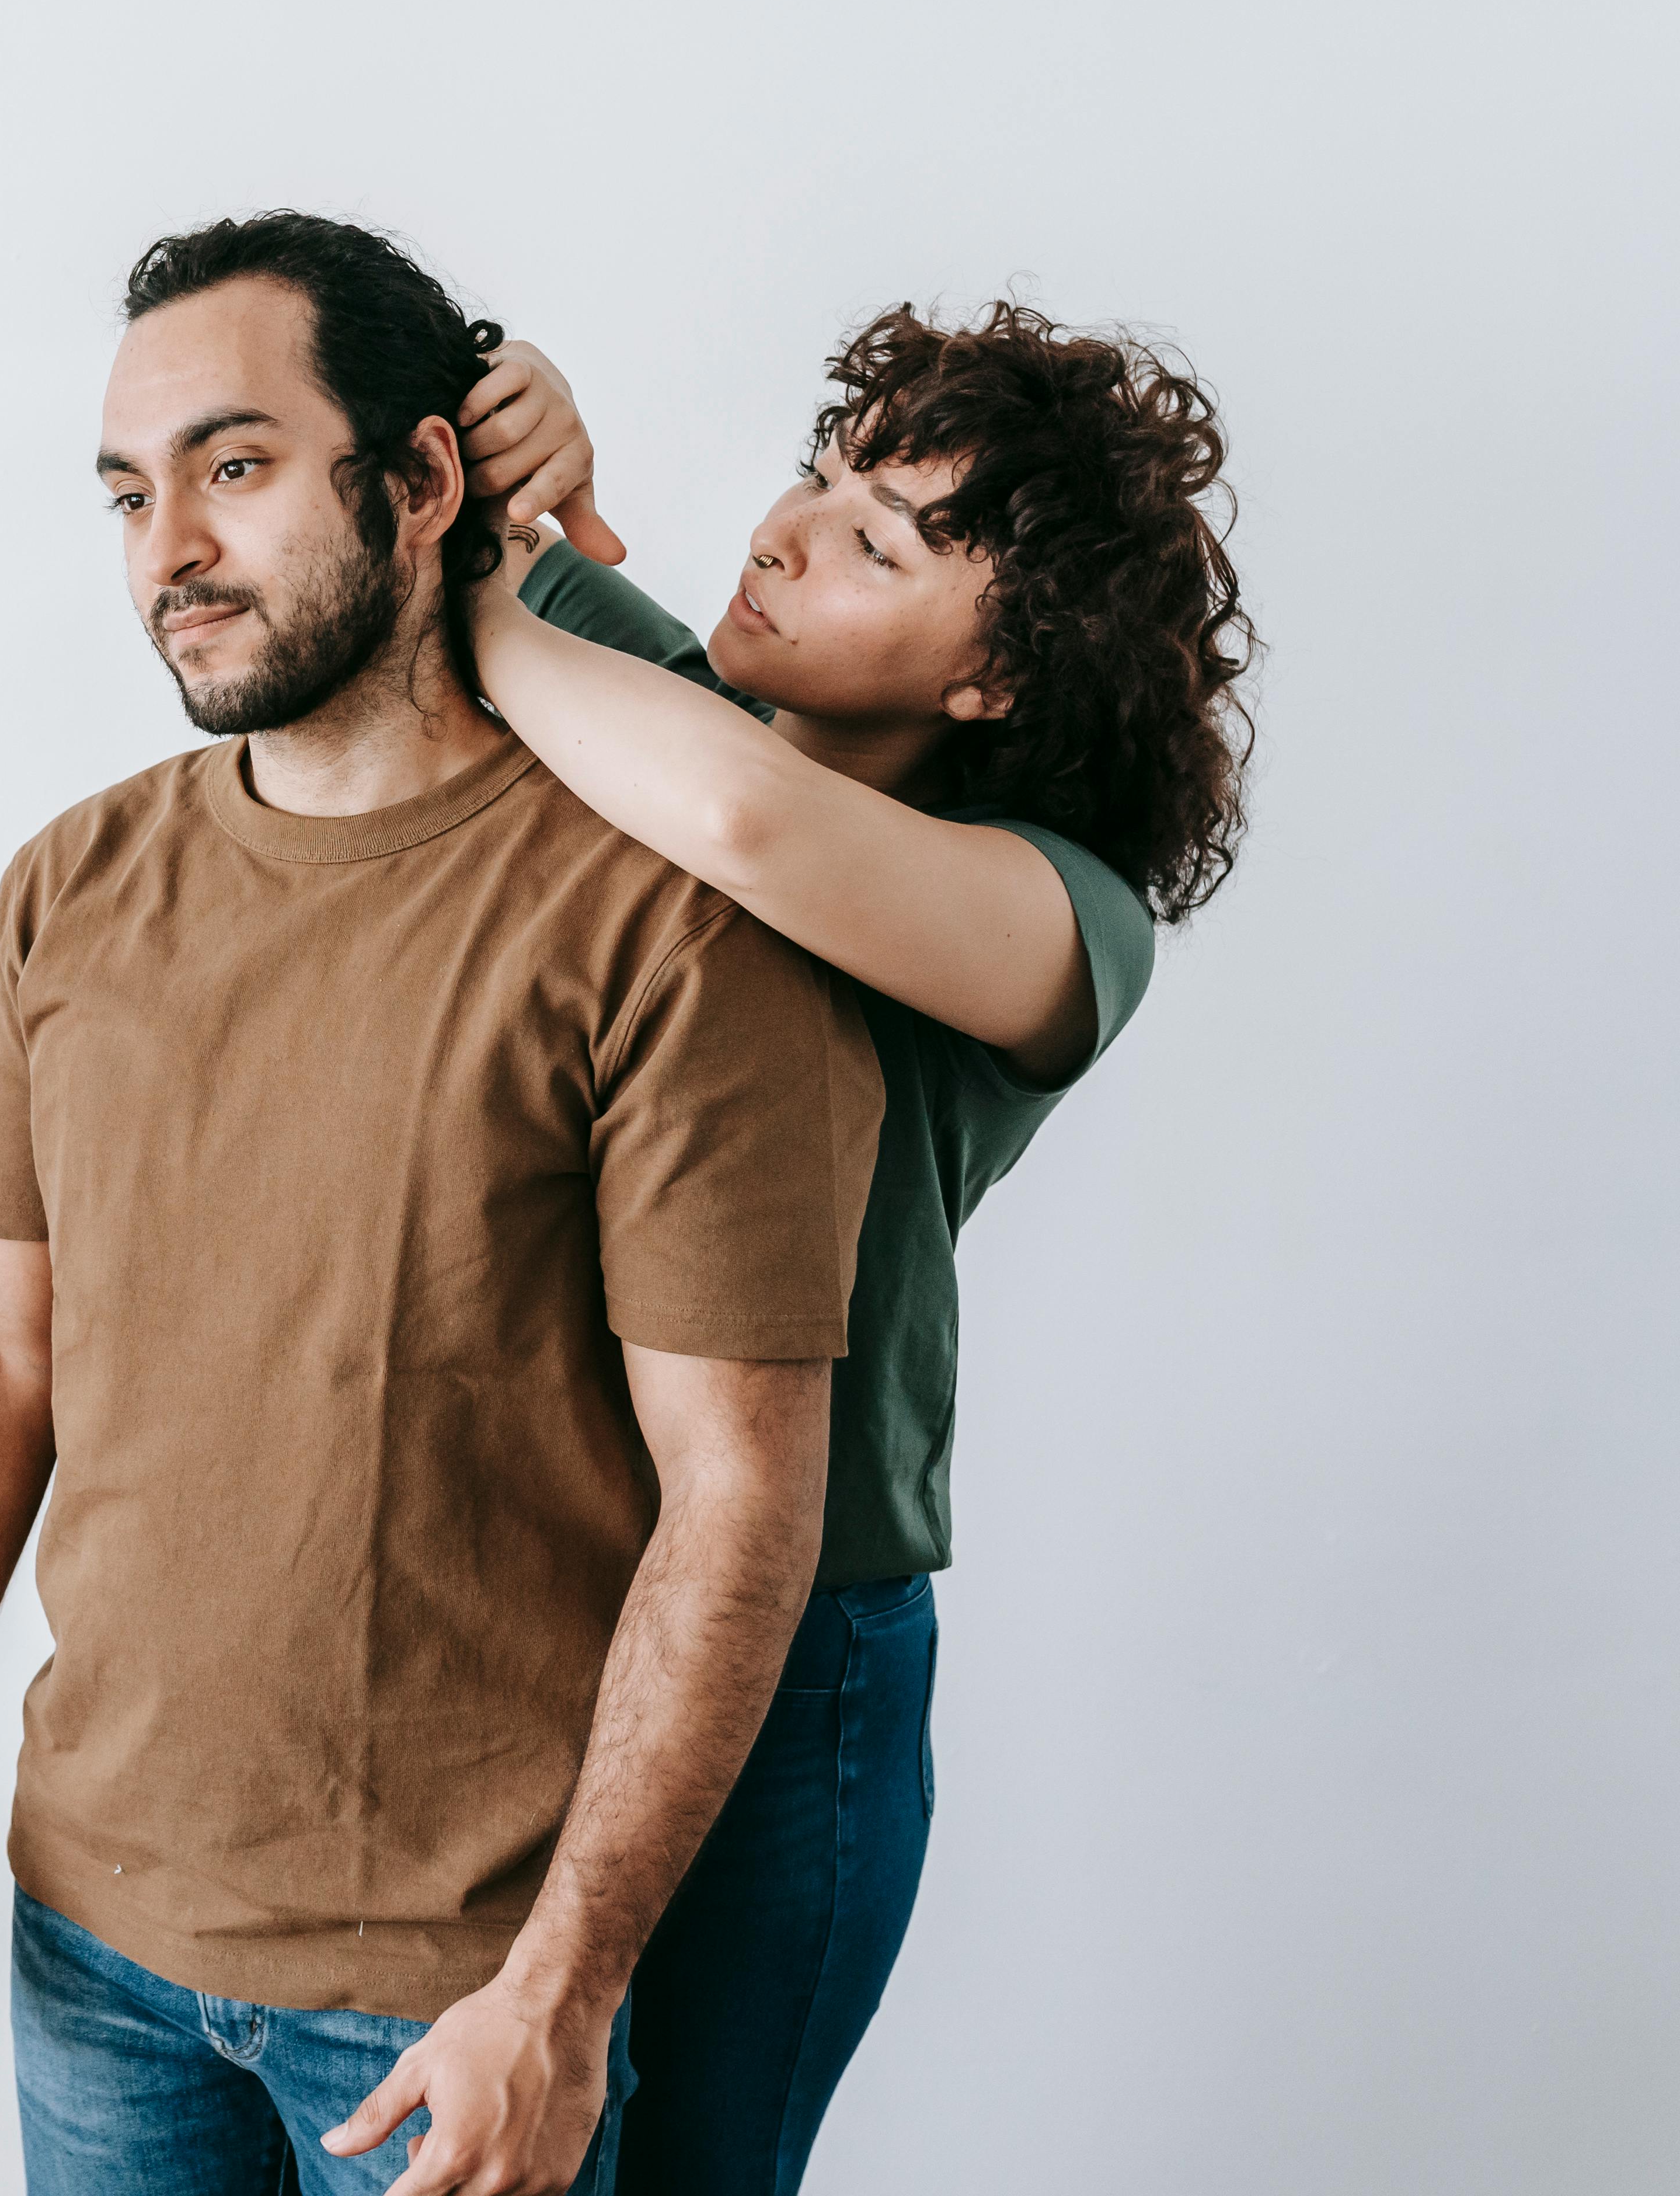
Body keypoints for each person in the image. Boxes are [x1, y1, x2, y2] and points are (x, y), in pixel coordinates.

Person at [0, 211, 886, 2195]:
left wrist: (560, 1988)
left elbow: (741, 1498)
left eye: (237, 465)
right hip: (88, 1950)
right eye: (131, 491)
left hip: (450, 1999)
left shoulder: (674, 922)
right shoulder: (71, 886)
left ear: (426, 478)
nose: (168, 551)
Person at [437, 302, 1256, 2191]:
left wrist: (512, 598)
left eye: (880, 539)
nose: (789, 532)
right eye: (818, 480)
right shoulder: (669, 709)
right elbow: (451, 524)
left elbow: (741, 818)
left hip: (802, 1661)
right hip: (547, 1596)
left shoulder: (1063, 921)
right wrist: (521, 434)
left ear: (1001, 678)